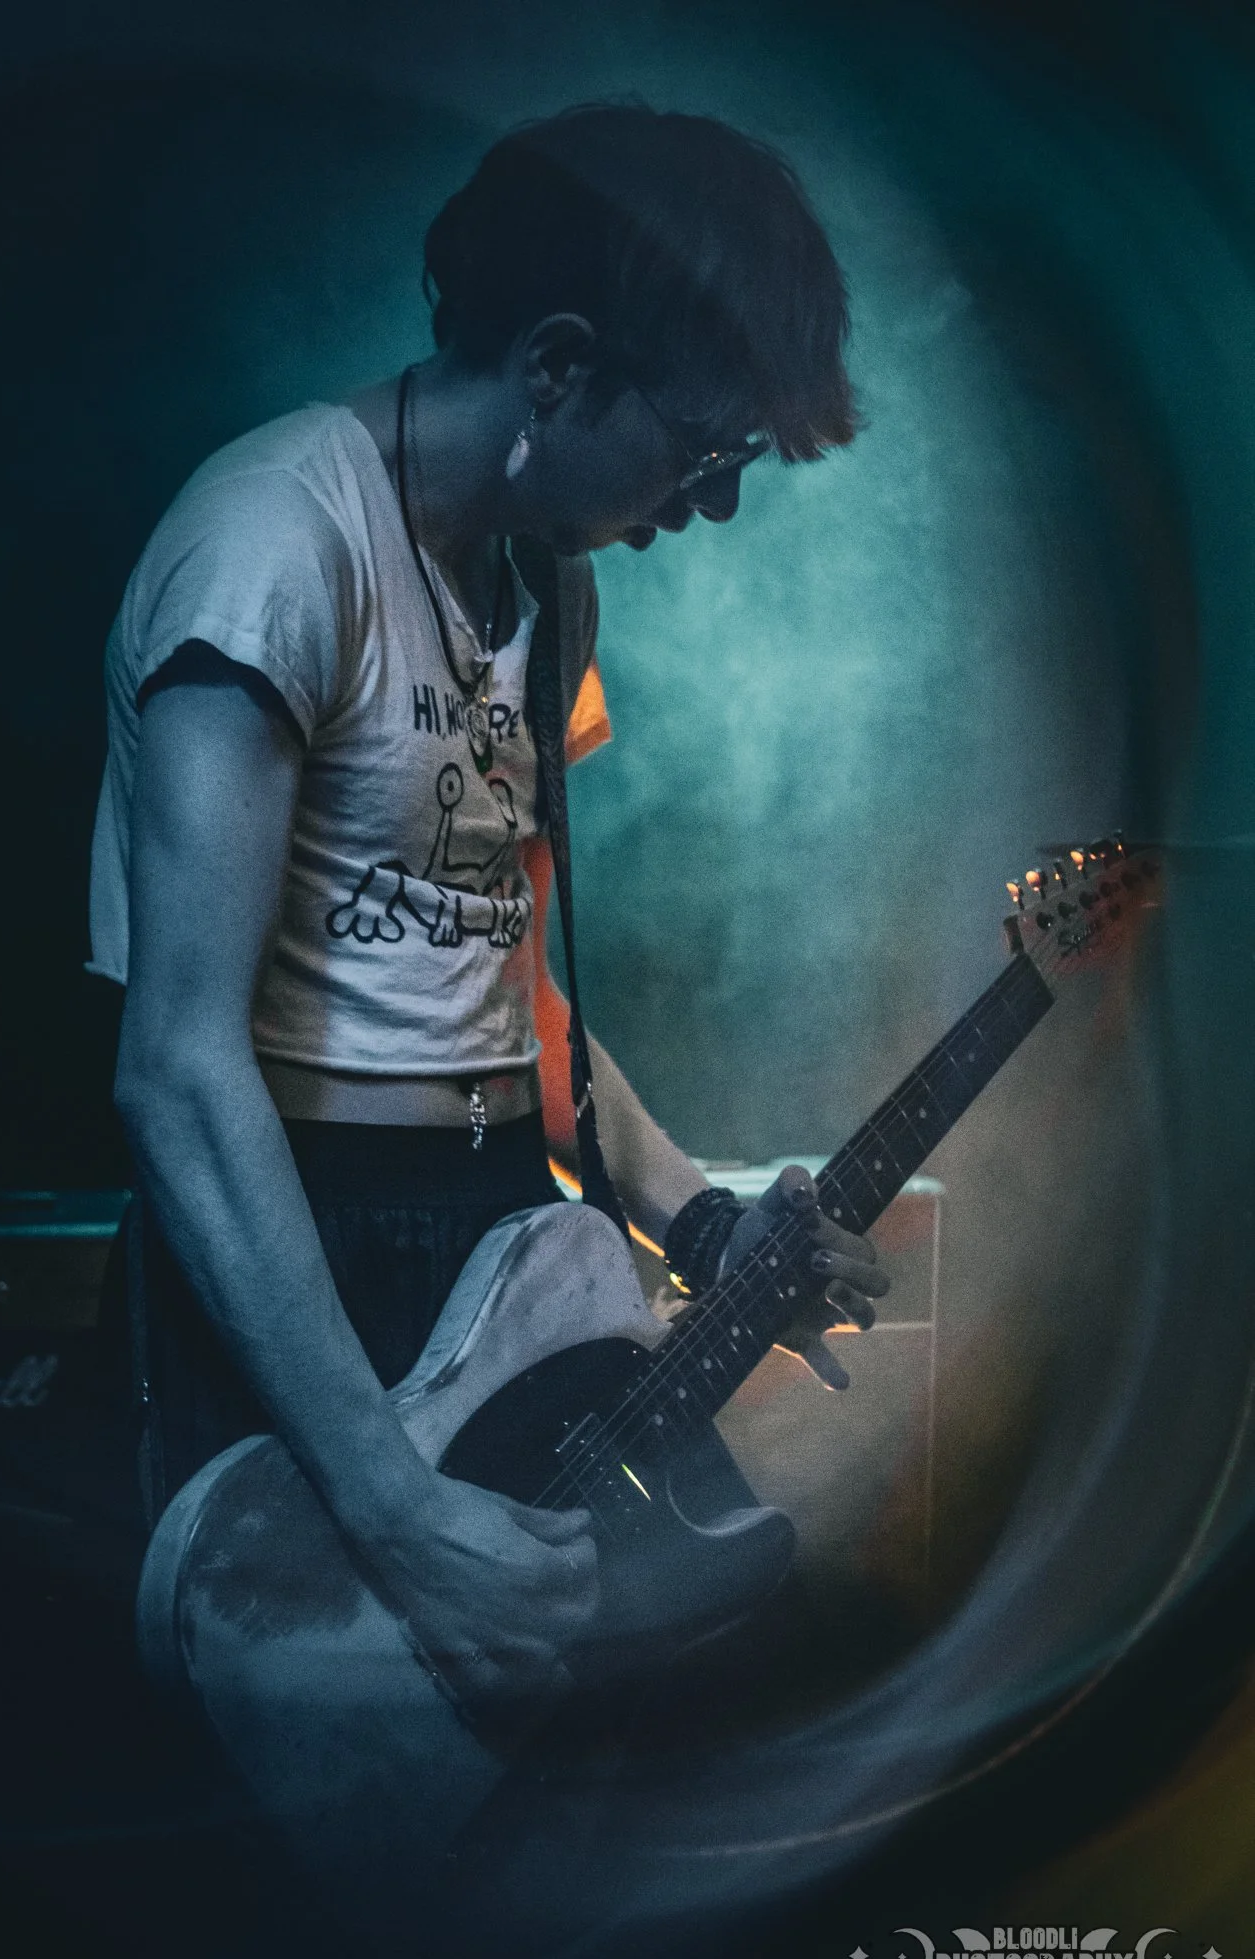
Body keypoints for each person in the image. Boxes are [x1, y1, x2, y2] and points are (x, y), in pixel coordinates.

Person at [88, 103, 888, 1705]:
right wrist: (388, 1503)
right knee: (326, 1812)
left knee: (570, 1744)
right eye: (706, 447)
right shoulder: (271, 548)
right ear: (558, 368)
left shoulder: (552, 585)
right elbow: (177, 1066)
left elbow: (505, 988)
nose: (711, 504)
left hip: (485, 1211)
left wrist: (703, 1222)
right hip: (284, 1234)